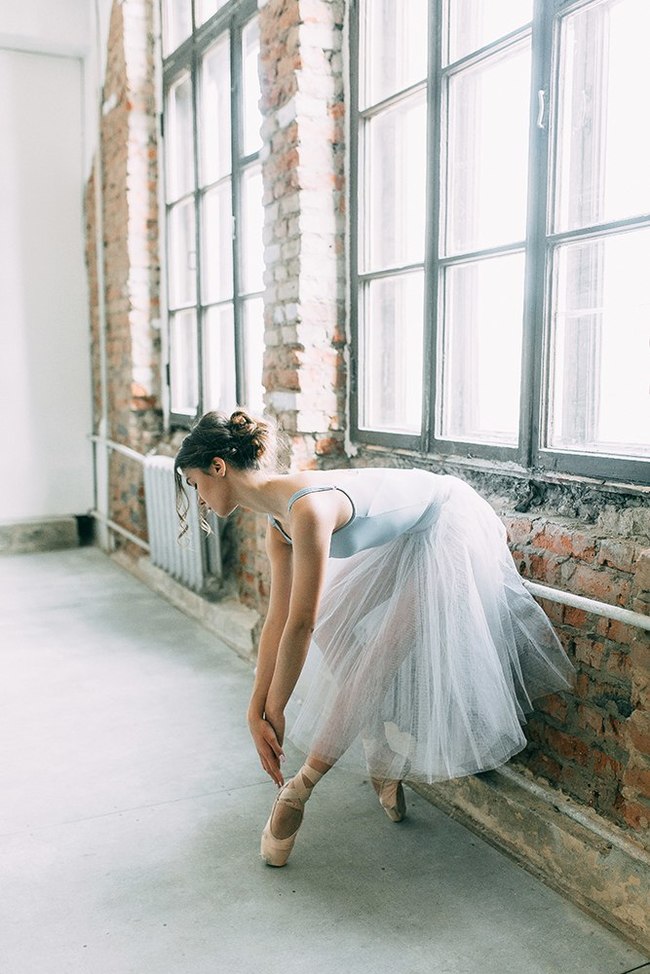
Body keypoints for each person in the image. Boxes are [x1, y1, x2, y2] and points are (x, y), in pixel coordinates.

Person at [174, 409, 575, 867]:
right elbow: (277, 621)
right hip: (403, 533)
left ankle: (298, 792)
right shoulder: (276, 524)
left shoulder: (306, 509)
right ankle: (380, 744)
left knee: (376, 657)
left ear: (218, 468)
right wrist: (255, 710)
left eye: (195, 483)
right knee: (333, 628)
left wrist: (278, 708)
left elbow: (298, 624)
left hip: (447, 523)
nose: (199, 498)